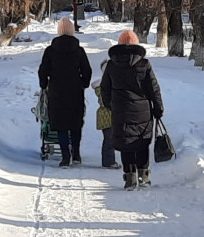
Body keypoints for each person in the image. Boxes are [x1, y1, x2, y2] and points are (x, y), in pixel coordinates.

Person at [99, 29, 164, 189]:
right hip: (143, 111)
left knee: (125, 142)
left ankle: (130, 178)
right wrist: (158, 108)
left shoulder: (111, 65)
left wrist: (109, 104)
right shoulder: (144, 64)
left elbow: (104, 87)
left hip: (120, 110)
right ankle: (144, 176)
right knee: (141, 142)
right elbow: (154, 88)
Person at [38, 16, 92, 167]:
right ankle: (76, 153)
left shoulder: (50, 51)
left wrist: (44, 84)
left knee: (61, 124)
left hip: (57, 92)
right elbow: (87, 70)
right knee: (75, 123)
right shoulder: (79, 50)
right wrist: (83, 84)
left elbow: (43, 70)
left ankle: (65, 156)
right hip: (75, 91)